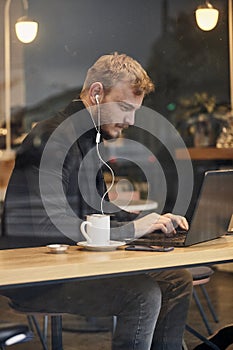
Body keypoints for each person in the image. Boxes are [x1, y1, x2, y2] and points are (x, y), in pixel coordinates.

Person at [1, 53, 192, 349]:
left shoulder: (89, 140)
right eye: (125, 108)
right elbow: (43, 227)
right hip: (41, 277)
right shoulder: (53, 139)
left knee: (177, 280)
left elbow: (96, 213)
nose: (130, 120)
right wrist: (130, 231)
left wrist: (149, 224)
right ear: (96, 93)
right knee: (143, 294)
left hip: (76, 266)